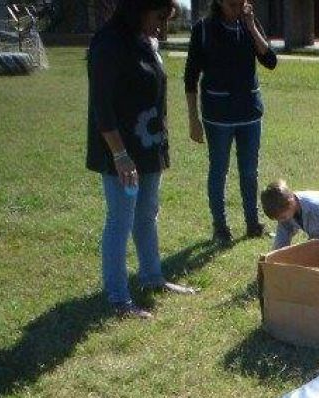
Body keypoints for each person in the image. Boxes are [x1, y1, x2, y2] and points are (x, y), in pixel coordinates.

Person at [86, 0, 196, 319]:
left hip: (149, 147)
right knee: (120, 220)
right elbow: (102, 108)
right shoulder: (108, 43)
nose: (162, 27)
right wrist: (120, 155)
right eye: (159, 17)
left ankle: (152, 277)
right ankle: (118, 298)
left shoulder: (145, 40)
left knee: (147, 214)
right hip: (120, 151)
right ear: (139, 8)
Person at [184, 0, 278, 245]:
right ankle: (221, 228)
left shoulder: (249, 23)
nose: (237, 5)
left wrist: (251, 27)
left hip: (249, 112)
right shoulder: (203, 29)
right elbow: (190, 78)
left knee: (249, 172)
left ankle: (252, 223)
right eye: (231, 3)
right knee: (219, 171)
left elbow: (270, 61)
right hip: (218, 116)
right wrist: (193, 119)